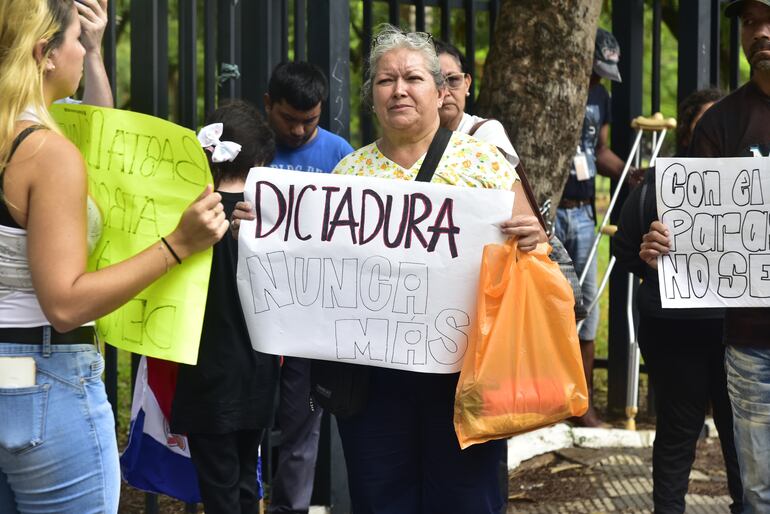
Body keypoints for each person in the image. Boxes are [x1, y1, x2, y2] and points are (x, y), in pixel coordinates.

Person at [0, 1, 228, 512]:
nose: (83, 51)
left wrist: (97, 50)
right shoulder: (47, 152)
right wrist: (178, 245)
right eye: (77, 41)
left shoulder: (22, 136)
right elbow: (64, 303)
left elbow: (97, 138)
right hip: (46, 374)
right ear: (45, 54)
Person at [327, 25, 545, 513]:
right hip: (374, 381)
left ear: (440, 90)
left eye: (412, 78)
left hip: (467, 375)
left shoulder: (485, 165)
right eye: (385, 80)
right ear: (372, 96)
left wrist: (534, 241)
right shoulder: (348, 174)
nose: (399, 89)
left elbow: (536, 252)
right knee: (381, 498)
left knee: (467, 500)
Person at [641, 1, 770, 510]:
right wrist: (665, 244)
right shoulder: (720, 124)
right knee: (759, 490)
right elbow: (697, 222)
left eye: (769, 18)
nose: (759, 32)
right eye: (749, 22)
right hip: (751, 342)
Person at [612, 88, 744, 514]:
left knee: (741, 433)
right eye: (703, 126)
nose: (713, 134)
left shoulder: (754, 185)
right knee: (677, 429)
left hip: (738, 333)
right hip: (675, 331)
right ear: (688, 133)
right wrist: (649, 258)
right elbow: (625, 249)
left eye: (721, 124)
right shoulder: (657, 184)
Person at [171, 100, 281, 514]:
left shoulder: (190, 217)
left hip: (206, 371)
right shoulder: (271, 217)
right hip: (257, 371)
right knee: (244, 478)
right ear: (259, 161)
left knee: (217, 485)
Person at [262, 61, 354, 514]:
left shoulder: (342, 156)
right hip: (253, 312)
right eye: (288, 119)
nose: (299, 130)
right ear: (267, 106)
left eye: (309, 120)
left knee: (302, 424)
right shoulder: (248, 149)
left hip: (311, 315)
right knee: (244, 419)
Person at [554, 28, 640, 427]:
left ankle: (582, 405)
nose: (597, 79)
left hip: (585, 212)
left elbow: (599, 150)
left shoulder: (601, 96)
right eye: (594, 70)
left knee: (587, 309)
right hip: (551, 211)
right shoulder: (552, 86)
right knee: (551, 307)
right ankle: (551, 401)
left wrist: (630, 174)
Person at [434, 39, 518, 166]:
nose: (445, 92)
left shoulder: (487, 132)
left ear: (467, 84)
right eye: (436, 82)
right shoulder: (404, 137)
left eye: (453, 80)